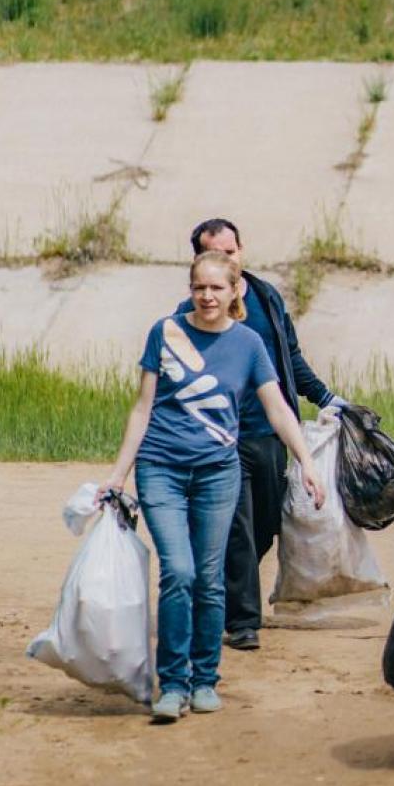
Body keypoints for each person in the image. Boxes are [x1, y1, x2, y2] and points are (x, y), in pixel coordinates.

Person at [101, 250, 325, 722]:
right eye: (199, 287)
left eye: (216, 287)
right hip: (160, 468)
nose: (206, 296)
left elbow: (278, 407)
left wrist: (306, 461)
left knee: (209, 578)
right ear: (190, 289)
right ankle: (173, 684)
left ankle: (205, 679)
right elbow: (142, 409)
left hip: (216, 474)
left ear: (234, 291)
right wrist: (117, 475)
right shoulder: (165, 333)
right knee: (178, 572)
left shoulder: (247, 344)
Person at [183, 219, 347, 651]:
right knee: (236, 525)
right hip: (223, 440)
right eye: (212, 253)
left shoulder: (267, 297)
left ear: (241, 252)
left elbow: (288, 357)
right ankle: (242, 622)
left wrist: (325, 397)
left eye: (231, 251)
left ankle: (214, 587)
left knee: (268, 524)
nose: (225, 261)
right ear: (198, 261)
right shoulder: (194, 316)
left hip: (270, 434)